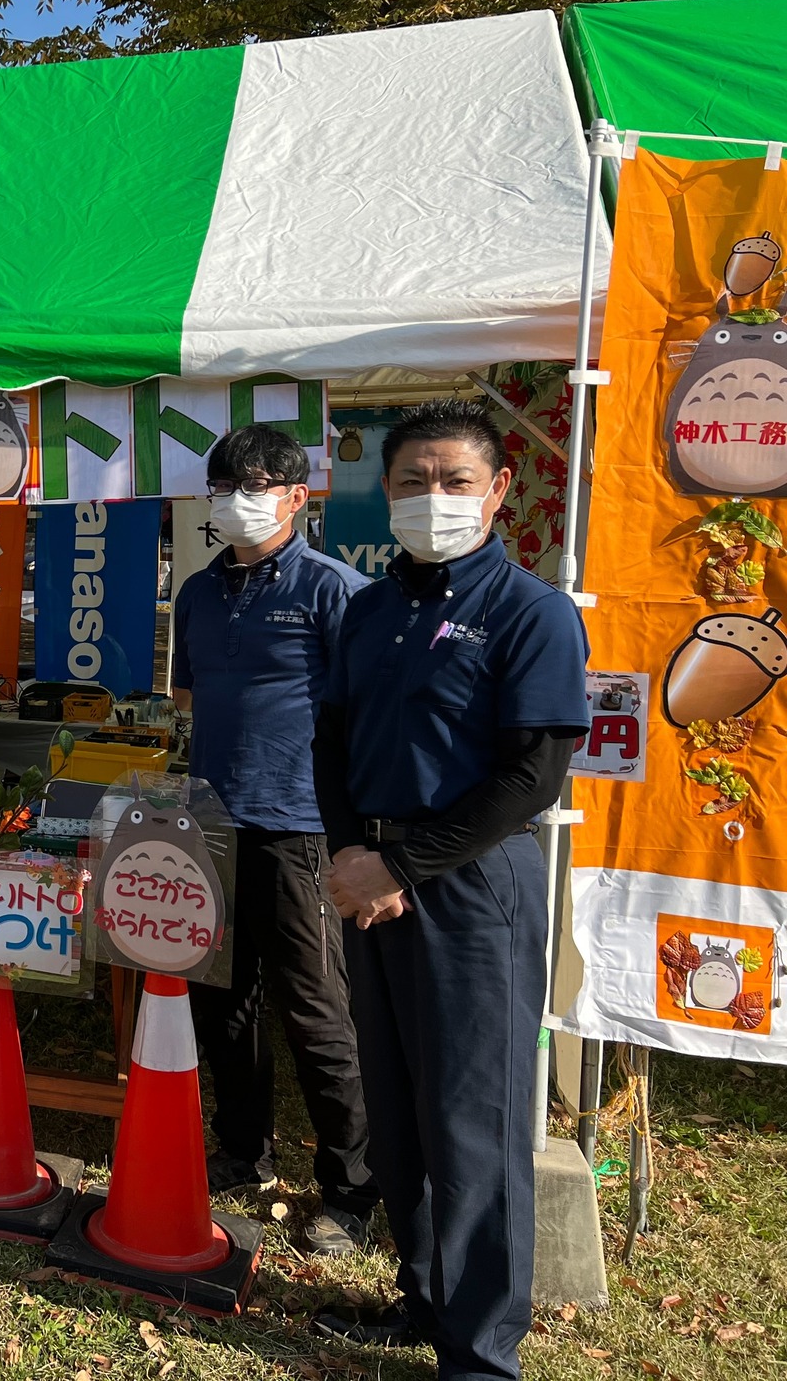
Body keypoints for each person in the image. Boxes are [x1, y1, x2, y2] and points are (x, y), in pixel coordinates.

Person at [311, 400, 588, 1380]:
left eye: (454, 481)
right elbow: (330, 744)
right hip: (369, 881)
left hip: (471, 887)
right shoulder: (368, 610)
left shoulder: (528, 611)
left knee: (472, 1123)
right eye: (412, 482)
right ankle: (420, 1300)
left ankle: (477, 1355)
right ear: (383, 492)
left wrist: (399, 864)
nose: (432, 499)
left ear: (498, 490)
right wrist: (351, 857)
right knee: (396, 1114)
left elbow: (530, 776)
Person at [170, 424, 378, 1257]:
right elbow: (190, 699)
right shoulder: (196, 590)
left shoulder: (335, 591)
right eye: (224, 486)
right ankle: (244, 1152)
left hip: (300, 829)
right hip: (214, 823)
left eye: (253, 485)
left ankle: (352, 1190)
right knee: (223, 999)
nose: (235, 500)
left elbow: (366, 719)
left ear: (297, 497)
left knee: (317, 1011)